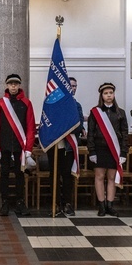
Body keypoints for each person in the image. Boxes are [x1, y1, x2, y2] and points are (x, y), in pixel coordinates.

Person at [0, 73, 35, 217]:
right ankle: (4, 202)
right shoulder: (1, 103)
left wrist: (29, 148)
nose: (13, 86)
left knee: (19, 174)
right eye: (11, 84)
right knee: (4, 174)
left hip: (19, 146)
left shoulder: (26, 103)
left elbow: (30, 127)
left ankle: (20, 202)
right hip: (4, 145)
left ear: (19, 85)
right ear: (7, 85)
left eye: (16, 83)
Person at [87, 82, 128, 217]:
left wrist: (123, 152)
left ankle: (110, 204)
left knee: (111, 177)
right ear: (101, 95)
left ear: (114, 94)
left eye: (111, 93)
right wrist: (92, 151)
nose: (109, 95)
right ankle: (101, 205)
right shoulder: (95, 112)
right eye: (106, 93)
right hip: (99, 148)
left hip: (114, 149)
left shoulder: (120, 113)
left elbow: (124, 133)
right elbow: (91, 132)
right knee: (99, 177)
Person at [47, 77, 84, 216]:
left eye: (75, 86)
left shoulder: (76, 105)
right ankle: (55, 203)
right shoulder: (53, 104)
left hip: (68, 146)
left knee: (67, 175)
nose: (72, 88)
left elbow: (79, 126)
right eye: (70, 85)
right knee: (54, 175)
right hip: (54, 146)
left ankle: (67, 202)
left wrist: (65, 128)